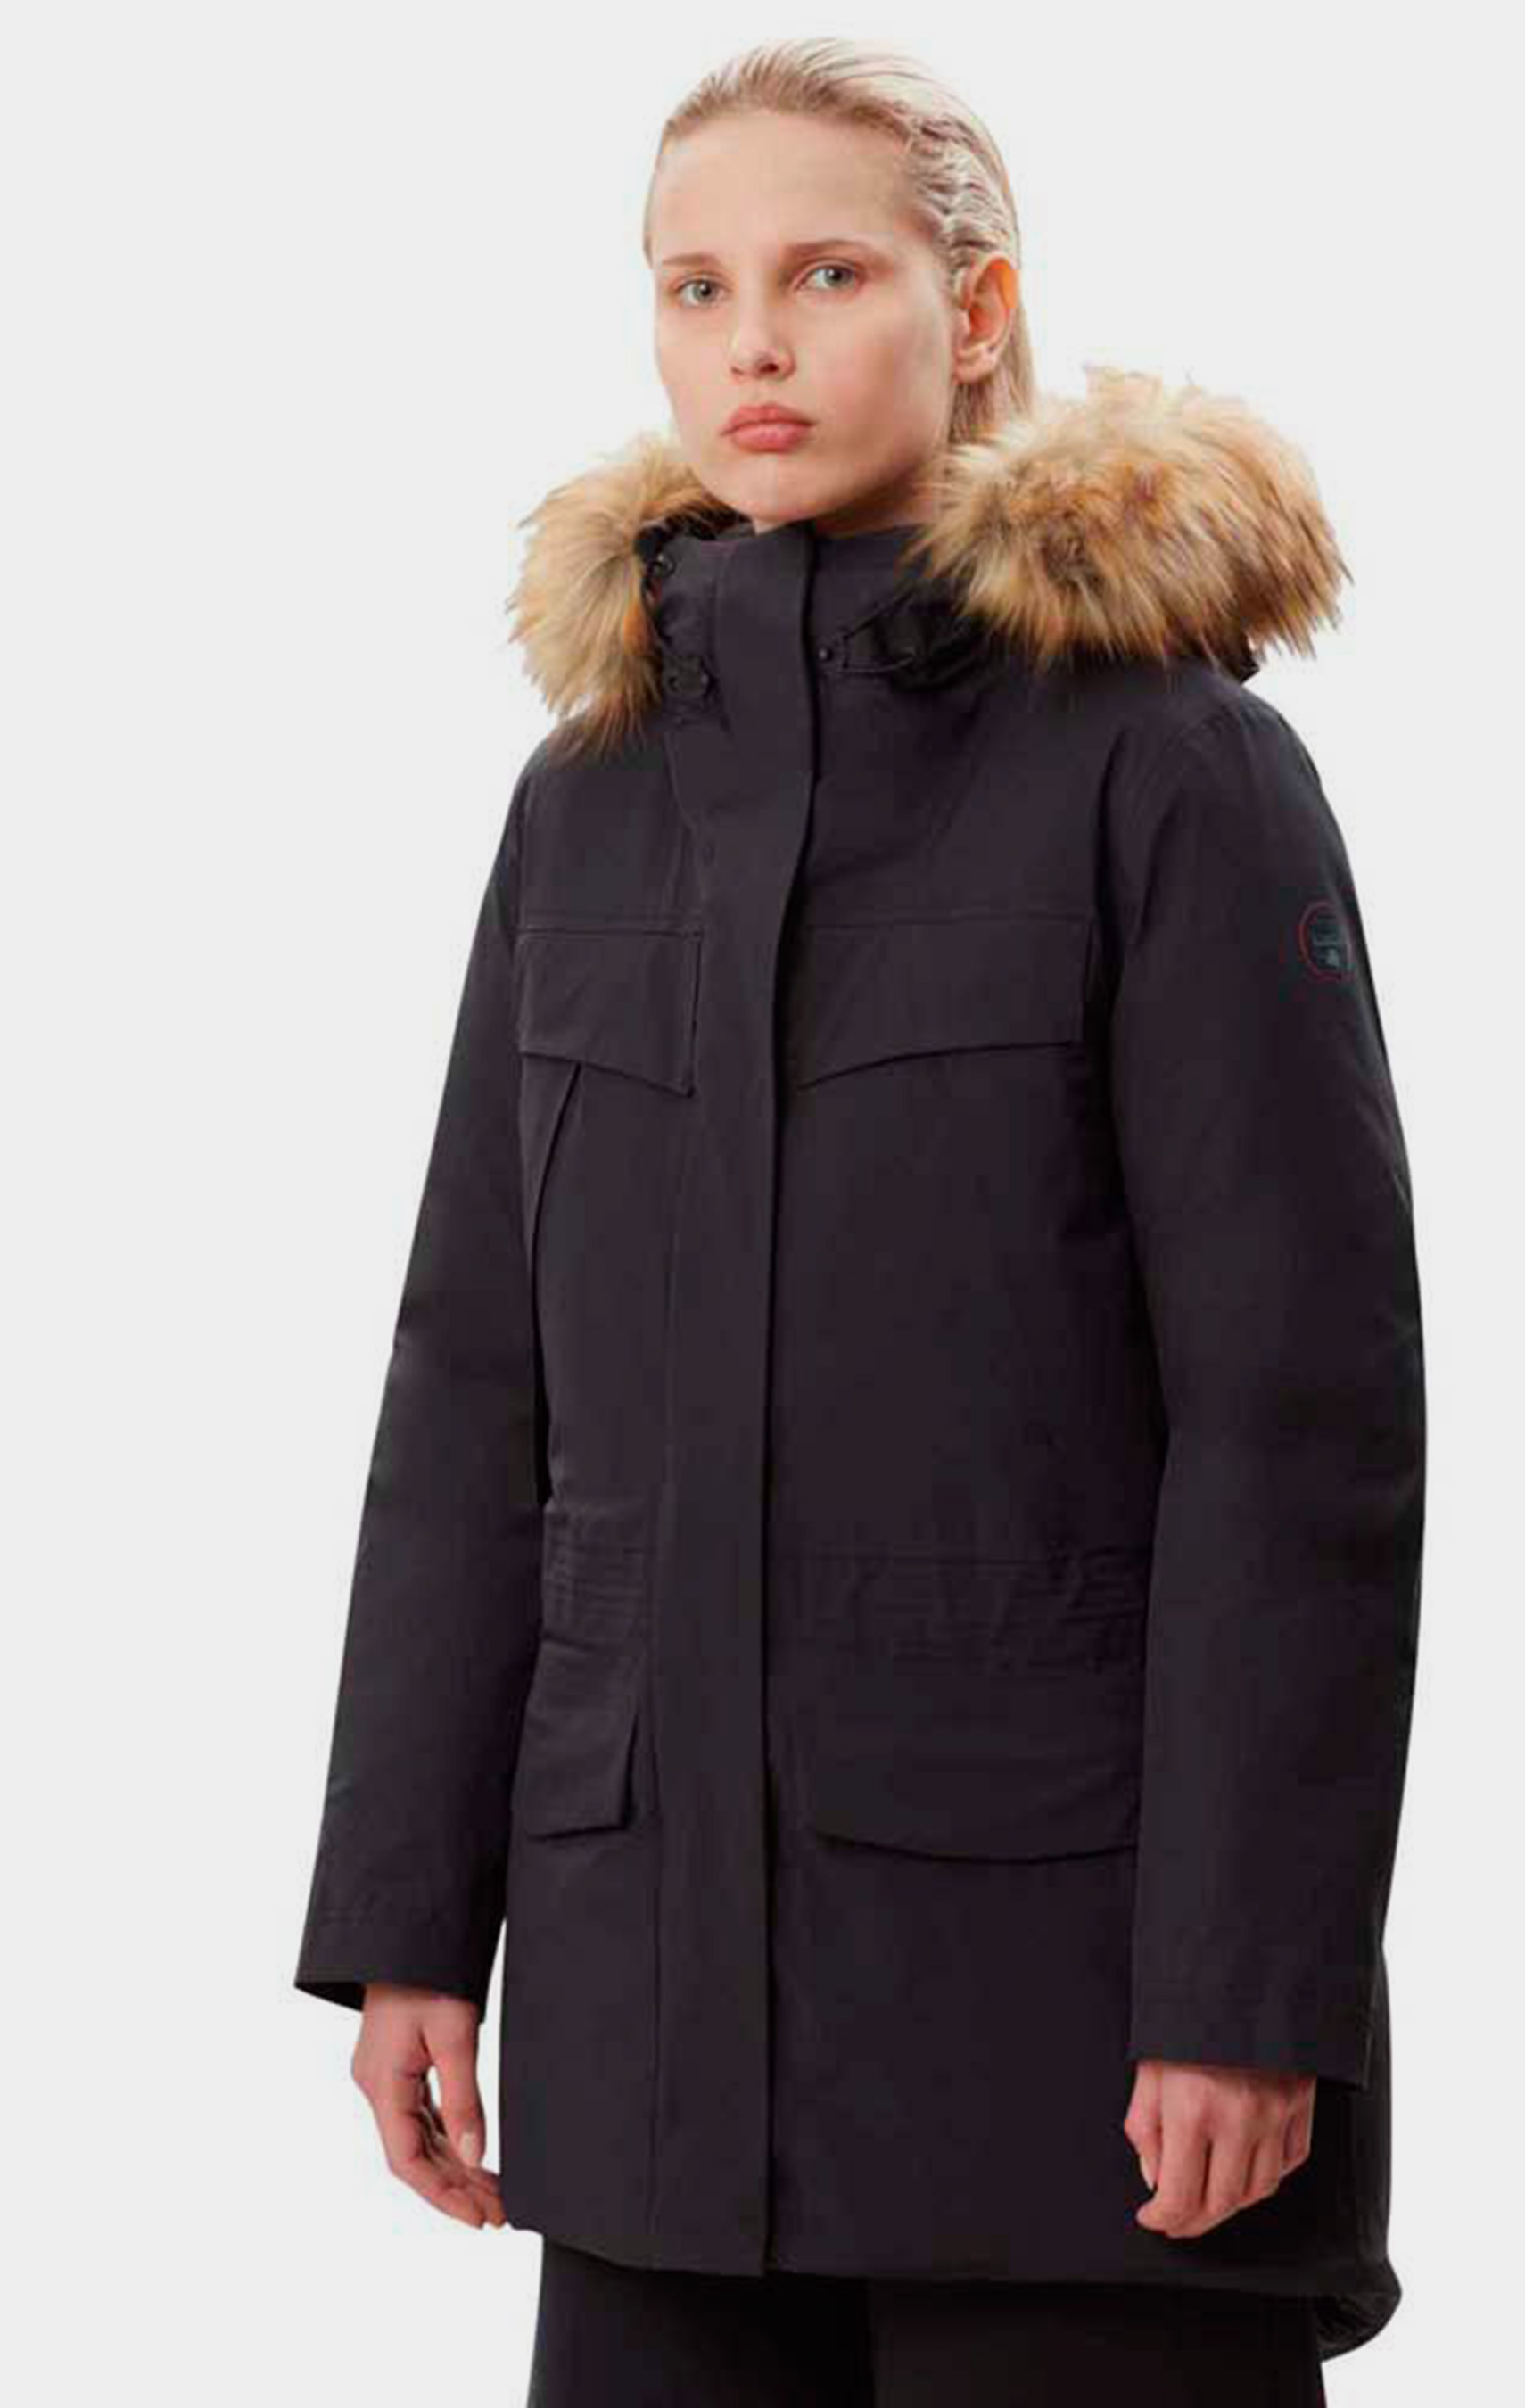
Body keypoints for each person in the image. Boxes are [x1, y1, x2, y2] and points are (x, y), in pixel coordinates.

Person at [293, 36, 1427, 2407]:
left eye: (826, 275)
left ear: (973, 306)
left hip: (1074, 2037)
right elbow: (474, 1382)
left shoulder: (1171, 772)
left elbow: (1293, 1428)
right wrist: (408, 1922)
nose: (754, 343)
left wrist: (1245, 1989)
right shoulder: (587, 803)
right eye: (693, 286)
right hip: (645, 2026)